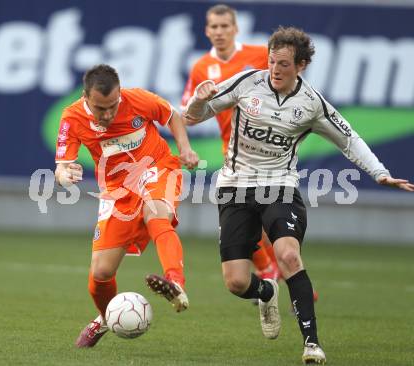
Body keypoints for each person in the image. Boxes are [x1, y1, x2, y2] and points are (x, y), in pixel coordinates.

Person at [184, 26, 414, 364]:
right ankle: (266, 291)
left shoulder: (311, 103)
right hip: (235, 187)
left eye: (284, 65)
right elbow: (192, 117)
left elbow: (349, 139)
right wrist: (200, 100)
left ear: (301, 66)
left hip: (280, 187)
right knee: (235, 282)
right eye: (272, 62)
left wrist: (379, 173)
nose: (275, 70)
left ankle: (311, 344)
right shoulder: (247, 82)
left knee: (288, 255)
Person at [54, 64, 199, 348]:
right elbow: (61, 166)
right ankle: (106, 318)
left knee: (157, 215)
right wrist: (64, 175)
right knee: (100, 275)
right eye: (100, 109)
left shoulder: (137, 99)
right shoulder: (71, 117)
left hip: (156, 168)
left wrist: (185, 148)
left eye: (112, 106)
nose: (108, 114)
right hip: (117, 191)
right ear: (86, 98)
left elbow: (171, 116)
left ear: (120, 94)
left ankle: (176, 282)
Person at [181, 3, 280, 282]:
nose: (220, 32)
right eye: (214, 26)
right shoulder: (201, 67)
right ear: (207, 31)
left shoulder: (260, 56)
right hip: (234, 150)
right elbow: (188, 114)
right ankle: (271, 270)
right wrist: (201, 101)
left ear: (236, 29)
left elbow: (287, 84)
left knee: (268, 217)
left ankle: (276, 270)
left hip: (269, 146)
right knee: (250, 214)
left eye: (225, 26)